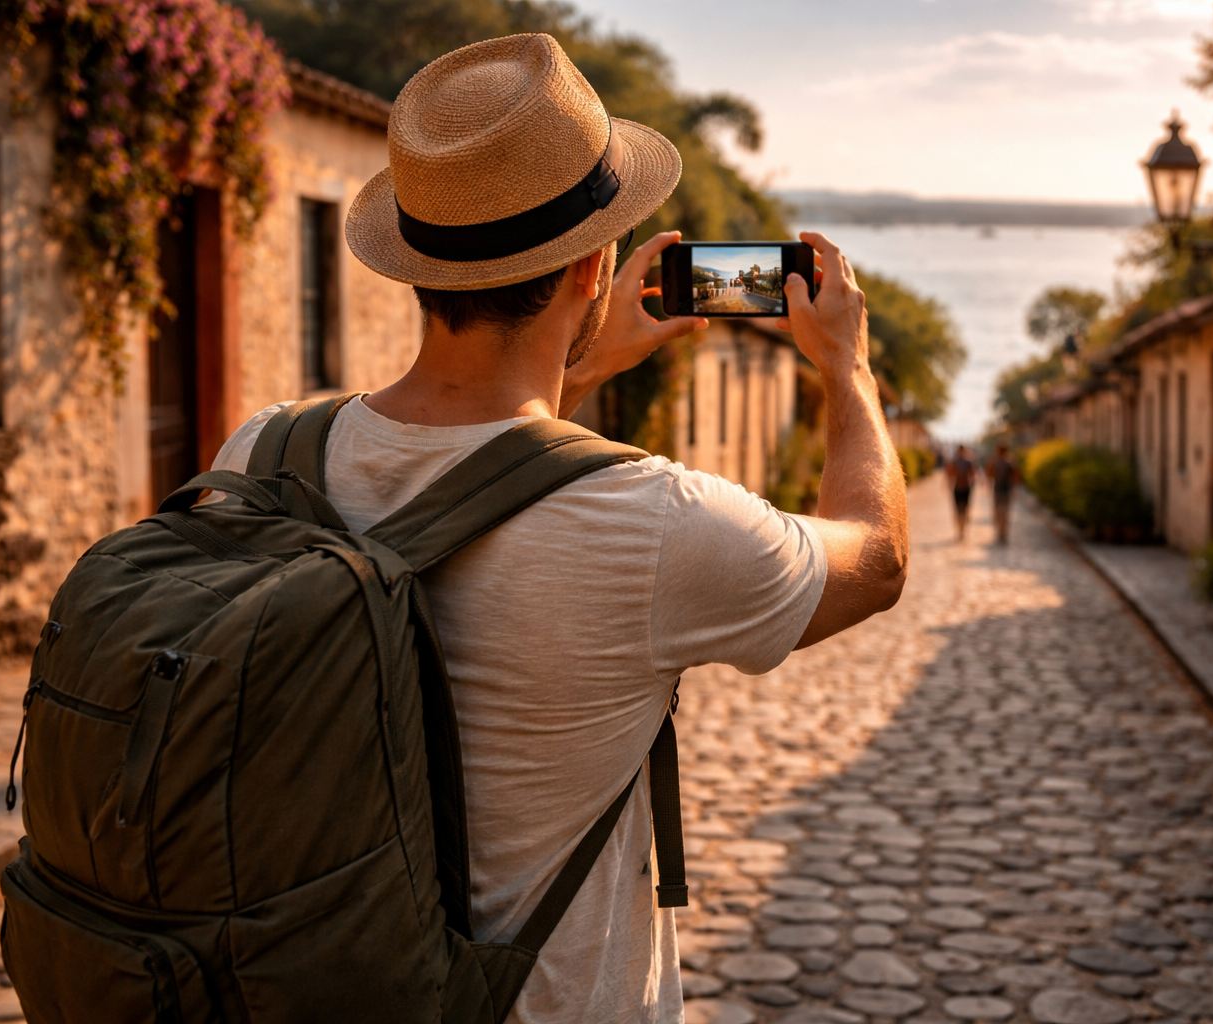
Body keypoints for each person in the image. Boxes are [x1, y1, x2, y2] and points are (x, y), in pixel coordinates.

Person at [209, 34, 907, 1023]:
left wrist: (576, 373)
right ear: (592, 268)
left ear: (419, 266)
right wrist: (848, 367)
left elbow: (470, 466)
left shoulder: (264, 453)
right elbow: (873, 559)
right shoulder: (656, 523)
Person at [987, 442, 1019, 545]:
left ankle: (1001, 532)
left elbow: (989, 475)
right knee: (1004, 513)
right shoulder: (1010, 462)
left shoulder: (994, 462)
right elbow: (1015, 477)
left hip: (998, 490)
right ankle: (1003, 532)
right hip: (1005, 490)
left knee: (998, 513)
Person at [945, 444, 976, 542]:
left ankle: (961, 529)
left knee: (960, 510)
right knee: (963, 509)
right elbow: (972, 476)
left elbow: (950, 474)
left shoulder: (960, 461)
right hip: (963, 487)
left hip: (960, 487)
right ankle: (961, 529)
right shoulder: (965, 462)